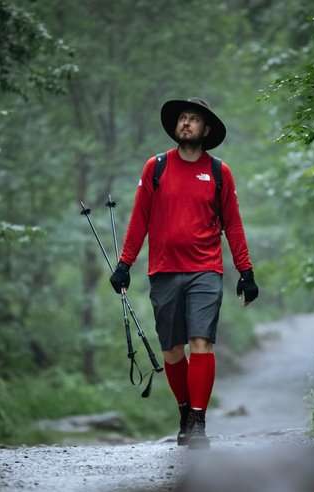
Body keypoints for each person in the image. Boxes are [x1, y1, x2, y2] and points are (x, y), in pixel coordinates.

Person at [109, 97, 258, 449]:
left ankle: (198, 421)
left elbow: (233, 225)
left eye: (194, 120)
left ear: (206, 130)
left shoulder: (220, 173)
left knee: (201, 341)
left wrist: (246, 271)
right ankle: (183, 411)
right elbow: (139, 219)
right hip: (163, 270)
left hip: (205, 270)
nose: (186, 123)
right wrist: (124, 264)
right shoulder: (156, 168)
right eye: (183, 119)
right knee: (172, 350)